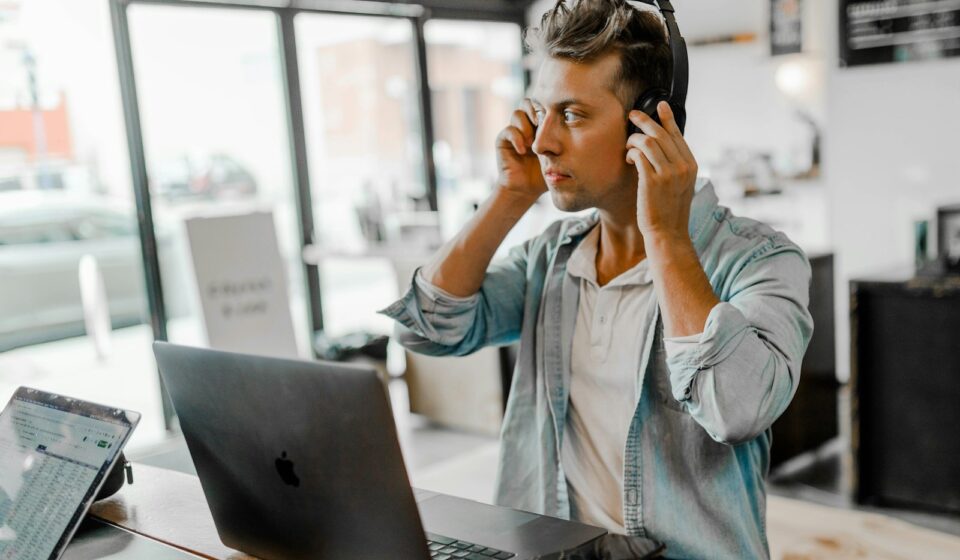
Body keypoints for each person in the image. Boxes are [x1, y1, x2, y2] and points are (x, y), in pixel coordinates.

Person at [380, 1, 813, 557]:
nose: (542, 143)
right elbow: (426, 329)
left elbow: (737, 409)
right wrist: (509, 196)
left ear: (655, 122)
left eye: (574, 115)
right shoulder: (552, 259)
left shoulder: (760, 261)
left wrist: (666, 236)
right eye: (542, 113)